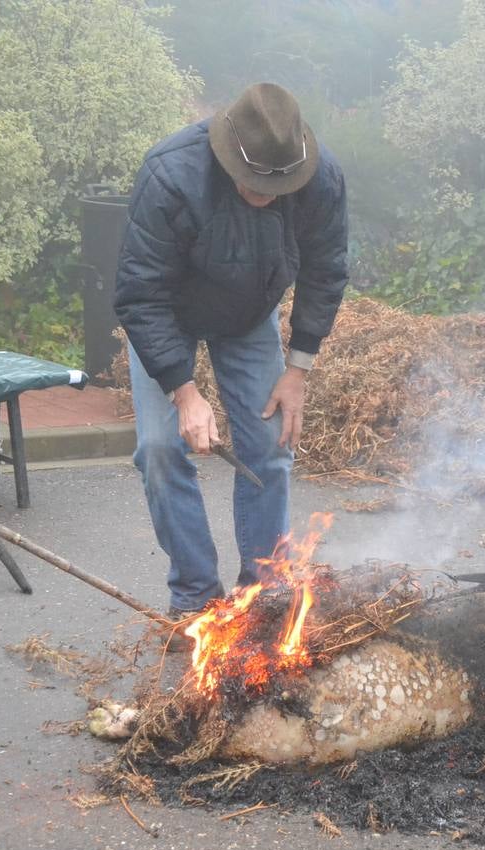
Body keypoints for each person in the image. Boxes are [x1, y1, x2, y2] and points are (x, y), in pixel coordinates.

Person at [114, 82, 348, 618]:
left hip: (248, 314)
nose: (267, 194)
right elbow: (140, 294)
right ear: (228, 157)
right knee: (160, 450)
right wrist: (183, 391)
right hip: (166, 313)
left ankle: (263, 596)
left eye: (278, 184)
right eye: (255, 183)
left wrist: (299, 369)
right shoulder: (171, 175)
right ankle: (197, 599)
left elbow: (326, 272)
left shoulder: (320, 178)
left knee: (269, 445)